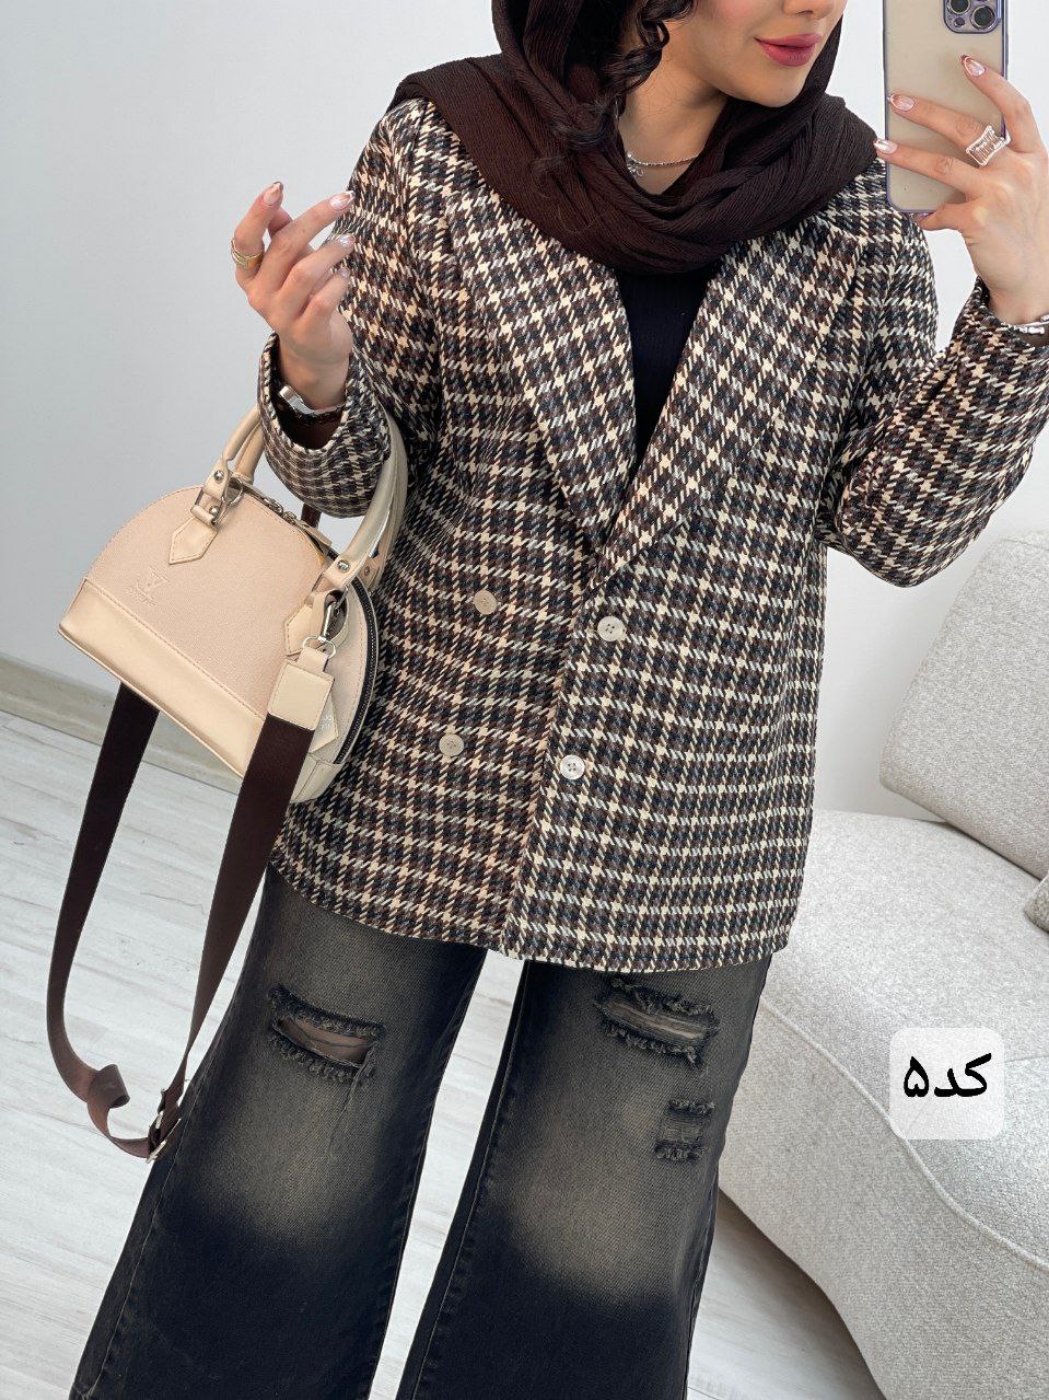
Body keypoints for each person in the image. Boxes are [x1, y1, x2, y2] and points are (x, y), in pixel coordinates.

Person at [69, 1, 1049, 1397]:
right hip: (416, 766)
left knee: (586, 1290)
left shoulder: (847, 201)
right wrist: (314, 380)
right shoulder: (450, 139)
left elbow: (894, 528)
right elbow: (356, 479)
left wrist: (1017, 315)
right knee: (269, 1210)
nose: (813, 6)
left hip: (692, 821)